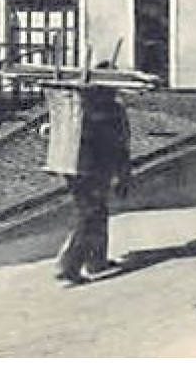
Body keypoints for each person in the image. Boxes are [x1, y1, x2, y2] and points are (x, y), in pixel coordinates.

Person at [50, 83, 133, 284]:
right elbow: (120, 143)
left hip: (75, 168)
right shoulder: (111, 110)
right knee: (90, 215)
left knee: (96, 211)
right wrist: (123, 174)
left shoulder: (78, 107)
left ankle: (97, 260)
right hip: (94, 170)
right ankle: (69, 265)